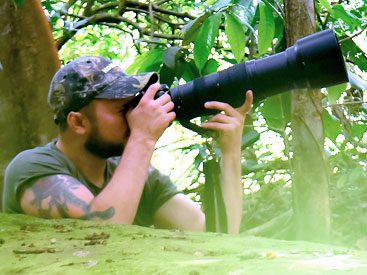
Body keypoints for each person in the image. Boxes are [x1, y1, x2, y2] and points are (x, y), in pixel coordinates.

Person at [2, 56, 253, 234]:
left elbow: (213, 232)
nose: (135, 116)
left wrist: (230, 153)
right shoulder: (32, 167)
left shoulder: (136, 175)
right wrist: (142, 138)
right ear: (78, 122)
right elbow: (99, 236)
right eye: (123, 108)